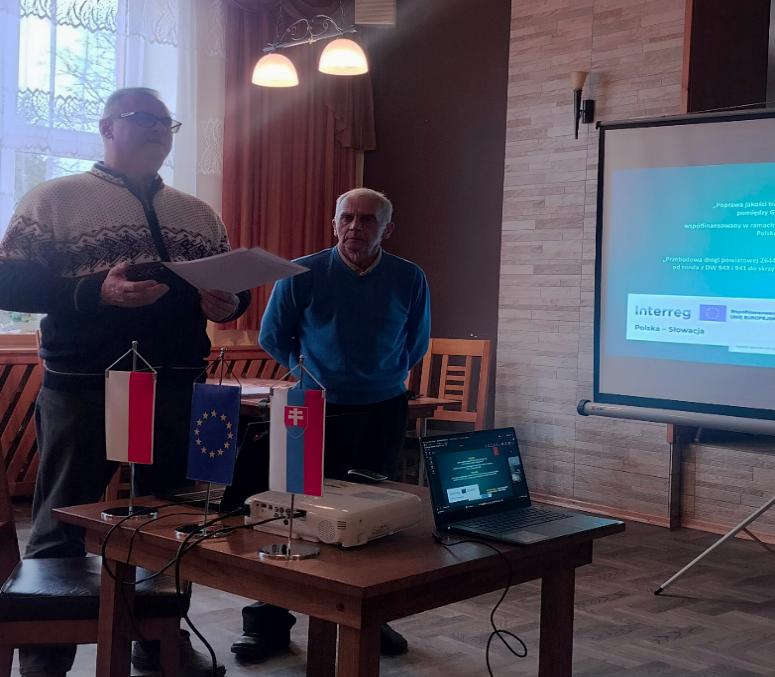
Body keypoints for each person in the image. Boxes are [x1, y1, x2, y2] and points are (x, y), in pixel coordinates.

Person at [0, 87, 248, 677]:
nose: (159, 128)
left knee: (171, 523)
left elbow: (228, 292)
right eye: (144, 118)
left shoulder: (200, 213)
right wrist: (95, 291)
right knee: (63, 520)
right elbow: (8, 284)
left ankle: (159, 642)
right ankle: (44, 657)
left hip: (176, 389)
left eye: (168, 122)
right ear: (108, 126)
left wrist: (227, 303)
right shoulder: (54, 198)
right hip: (85, 388)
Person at [230, 187, 431, 662]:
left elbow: (416, 341)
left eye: (367, 219)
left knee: (371, 520)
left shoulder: (409, 276)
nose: (355, 227)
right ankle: (267, 623)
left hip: (382, 410)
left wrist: (381, 375)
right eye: (347, 217)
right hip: (312, 409)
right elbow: (273, 336)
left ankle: (368, 619)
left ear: (387, 229)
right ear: (334, 223)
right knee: (289, 515)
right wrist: (309, 375)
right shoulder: (302, 272)